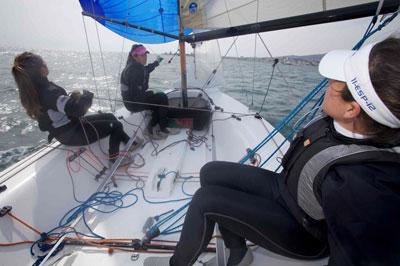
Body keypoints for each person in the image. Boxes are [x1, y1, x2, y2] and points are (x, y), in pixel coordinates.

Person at [145, 37, 400, 266]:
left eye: (334, 83)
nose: (326, 85)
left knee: (204, 201)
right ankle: (238, 253)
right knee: (210, 172)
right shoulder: (344, 123)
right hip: (285, 190)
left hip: (303, 231)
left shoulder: (362, 184)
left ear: (351, 109)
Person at [12, 52, 143, 167]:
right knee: (115, 125)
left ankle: (128, 143)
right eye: (44, 63)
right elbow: (78, 110)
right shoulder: (48, 92)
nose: (46, 64)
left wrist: (71, 99)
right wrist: (87, 96)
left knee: (110, 116)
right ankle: (114, 160)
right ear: (41, 70)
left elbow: (58, 107)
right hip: (71, 133)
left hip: (67, 130)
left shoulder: (37, 90)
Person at [120, 44, 179, 139]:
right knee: (162, 98)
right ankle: (163, 128)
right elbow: (136, 96)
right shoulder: (134, 70)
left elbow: (146, 70)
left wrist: (156, 62)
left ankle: (150, 127)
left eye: (146, 54)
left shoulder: (134, 66)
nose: (145, 57)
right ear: (135, 56)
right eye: (142, 55)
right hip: (134, 103)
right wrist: (150, 94)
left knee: (157, 99)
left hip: (131, 102)